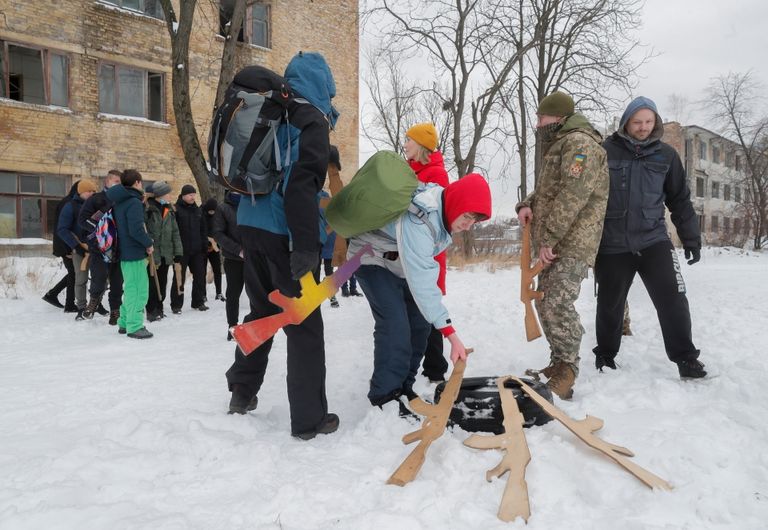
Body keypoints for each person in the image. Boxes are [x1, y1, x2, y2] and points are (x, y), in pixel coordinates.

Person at [225, 51, 340, 441]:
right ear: (323, 86)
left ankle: (242, 392)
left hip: (249, 223)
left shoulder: (276, 108)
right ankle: (309, 420)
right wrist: (305, 246)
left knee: (262, 311)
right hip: (283, 233)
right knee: (304, 326)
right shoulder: (312, 120)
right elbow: (300, 188)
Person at [349, 173, 492, 409]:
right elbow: (423, 282)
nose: (468, 225)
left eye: (474, 221)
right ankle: (385, 396)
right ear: (455, 203)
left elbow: (422, 272)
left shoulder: (442, 216)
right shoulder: (422, 216)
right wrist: (451, 334)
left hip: (399, 265)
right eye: (467, 216)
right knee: (395, 325)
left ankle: (404, 386)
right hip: (370, 258)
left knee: (420, 324)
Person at [592, 96, 706, 379]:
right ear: (626, 122)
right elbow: (584, 194)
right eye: (637, 122)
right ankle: (605, 355)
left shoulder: (666, 155)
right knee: (609, 304)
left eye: (648, 121)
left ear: (655, 122)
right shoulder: (605, 151)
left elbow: (679, 199)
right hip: (613, 243)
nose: (643, 127)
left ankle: (686, 359)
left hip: (653, 240)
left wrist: (691, 238)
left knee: (674, 299)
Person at [516, 91, 609, 400]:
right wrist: (526, 204)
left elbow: (573, 194)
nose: (538, 124)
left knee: (557, 301)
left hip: (572, 242)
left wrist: (550, 237)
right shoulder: (562, 143)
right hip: (557, 242)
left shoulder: (580, 144)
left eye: (542, 118)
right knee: (545, 301)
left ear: (558, 117)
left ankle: (568, 370)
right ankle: (558, 363)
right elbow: (550, 190)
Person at [405, 122, 450, 383]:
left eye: (409, 140)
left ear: (421, 145)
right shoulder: (409, 171)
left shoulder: (436, 175)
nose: (405, 145)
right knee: (415, 308)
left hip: (429, 253)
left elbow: (433, 217)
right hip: (410, 251)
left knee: (428, 306)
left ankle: (435, 368)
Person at [105, 169, 155, 339]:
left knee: (131, 289)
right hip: (134, 253)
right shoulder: (133, 202)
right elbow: (136, 229)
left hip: (125, 252)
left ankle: (125, 322)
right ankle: (135, 326)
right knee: (139, 290)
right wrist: (148, 243)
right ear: (137, 183)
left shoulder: (120, 201)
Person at [78, 169, 123, 324]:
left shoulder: (123, 200)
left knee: (117, 282)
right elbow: (82, 220)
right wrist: (101, 230)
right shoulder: (96, 199)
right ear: (107, 181)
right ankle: (93, 302)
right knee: (99, 277)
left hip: (118, 248)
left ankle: (115, 311)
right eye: (116, 181)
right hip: (99, 247)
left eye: (121, 182)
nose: (118, 185)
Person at [56, 179, 98, 320]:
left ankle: (94, 305)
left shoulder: (97, 206)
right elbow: (62, 229)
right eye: (88, 191)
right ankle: (81, 308)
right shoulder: (71, 206)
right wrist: (76, 246)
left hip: (98, 248)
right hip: (81, 249)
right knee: (81, 279)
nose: (92, 193)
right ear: (81, 192)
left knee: (101, 280)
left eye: (93, 191)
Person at [144, 180, 183, 322]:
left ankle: (159, 308)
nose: (170, 196)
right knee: (152, 284)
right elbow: (143, 229)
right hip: (152, 253)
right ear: (160, 195)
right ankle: (151, 310)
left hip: (166, 253)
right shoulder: (148, 209)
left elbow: (175, 232)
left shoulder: (169, 210)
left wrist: (178, 252)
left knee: (162, 281)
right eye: (168, 194)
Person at [211, 190, 245, 341]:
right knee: (233, 294)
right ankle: (233, 327)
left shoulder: (253, 203)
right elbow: (218, 234)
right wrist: (238, 250)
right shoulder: (223, 208)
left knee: (258, 294)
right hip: (234, 258)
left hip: (254, 258)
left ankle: (257, 327)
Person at [43, 181, 81, 313]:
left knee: (73, 273)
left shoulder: (70, 202)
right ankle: (69, 304)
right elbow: (63, 229)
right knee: (74, 273)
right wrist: (68, 249)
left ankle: (52, 294)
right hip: (66, 245)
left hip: (66, 245)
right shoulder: (68, 203)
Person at [171, 184, 208, 313]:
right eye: (190, 195)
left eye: (194, 195)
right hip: (181, 251)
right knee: (179, 278)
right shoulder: (176, 210)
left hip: (197, 250)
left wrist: (204, 246)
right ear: (183, 196)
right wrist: (174, 250)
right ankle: (176, 305)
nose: (193, 197)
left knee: (200, 276)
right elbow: (173, 231)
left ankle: (198, 302)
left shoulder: (198, 210)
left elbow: (203, 230)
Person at [319, 190, 339, 308]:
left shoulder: (325, 197)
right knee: (320, 269)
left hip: (327, 237)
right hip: (319, 237)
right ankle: (326, 292)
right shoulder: (323, 196)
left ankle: (332, 296)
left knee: (328, 269)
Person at [202, 198, 225, 302]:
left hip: (215, 246)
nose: (212, 212)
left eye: (213, 211)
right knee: (202, 272)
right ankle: (203, 294)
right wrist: (206, 242)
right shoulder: (201, 214)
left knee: (217, 270)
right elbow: (200, 231)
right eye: (210, 211)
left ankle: (219, 292)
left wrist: (215, 243)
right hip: (203, 247)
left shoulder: (218, 215)